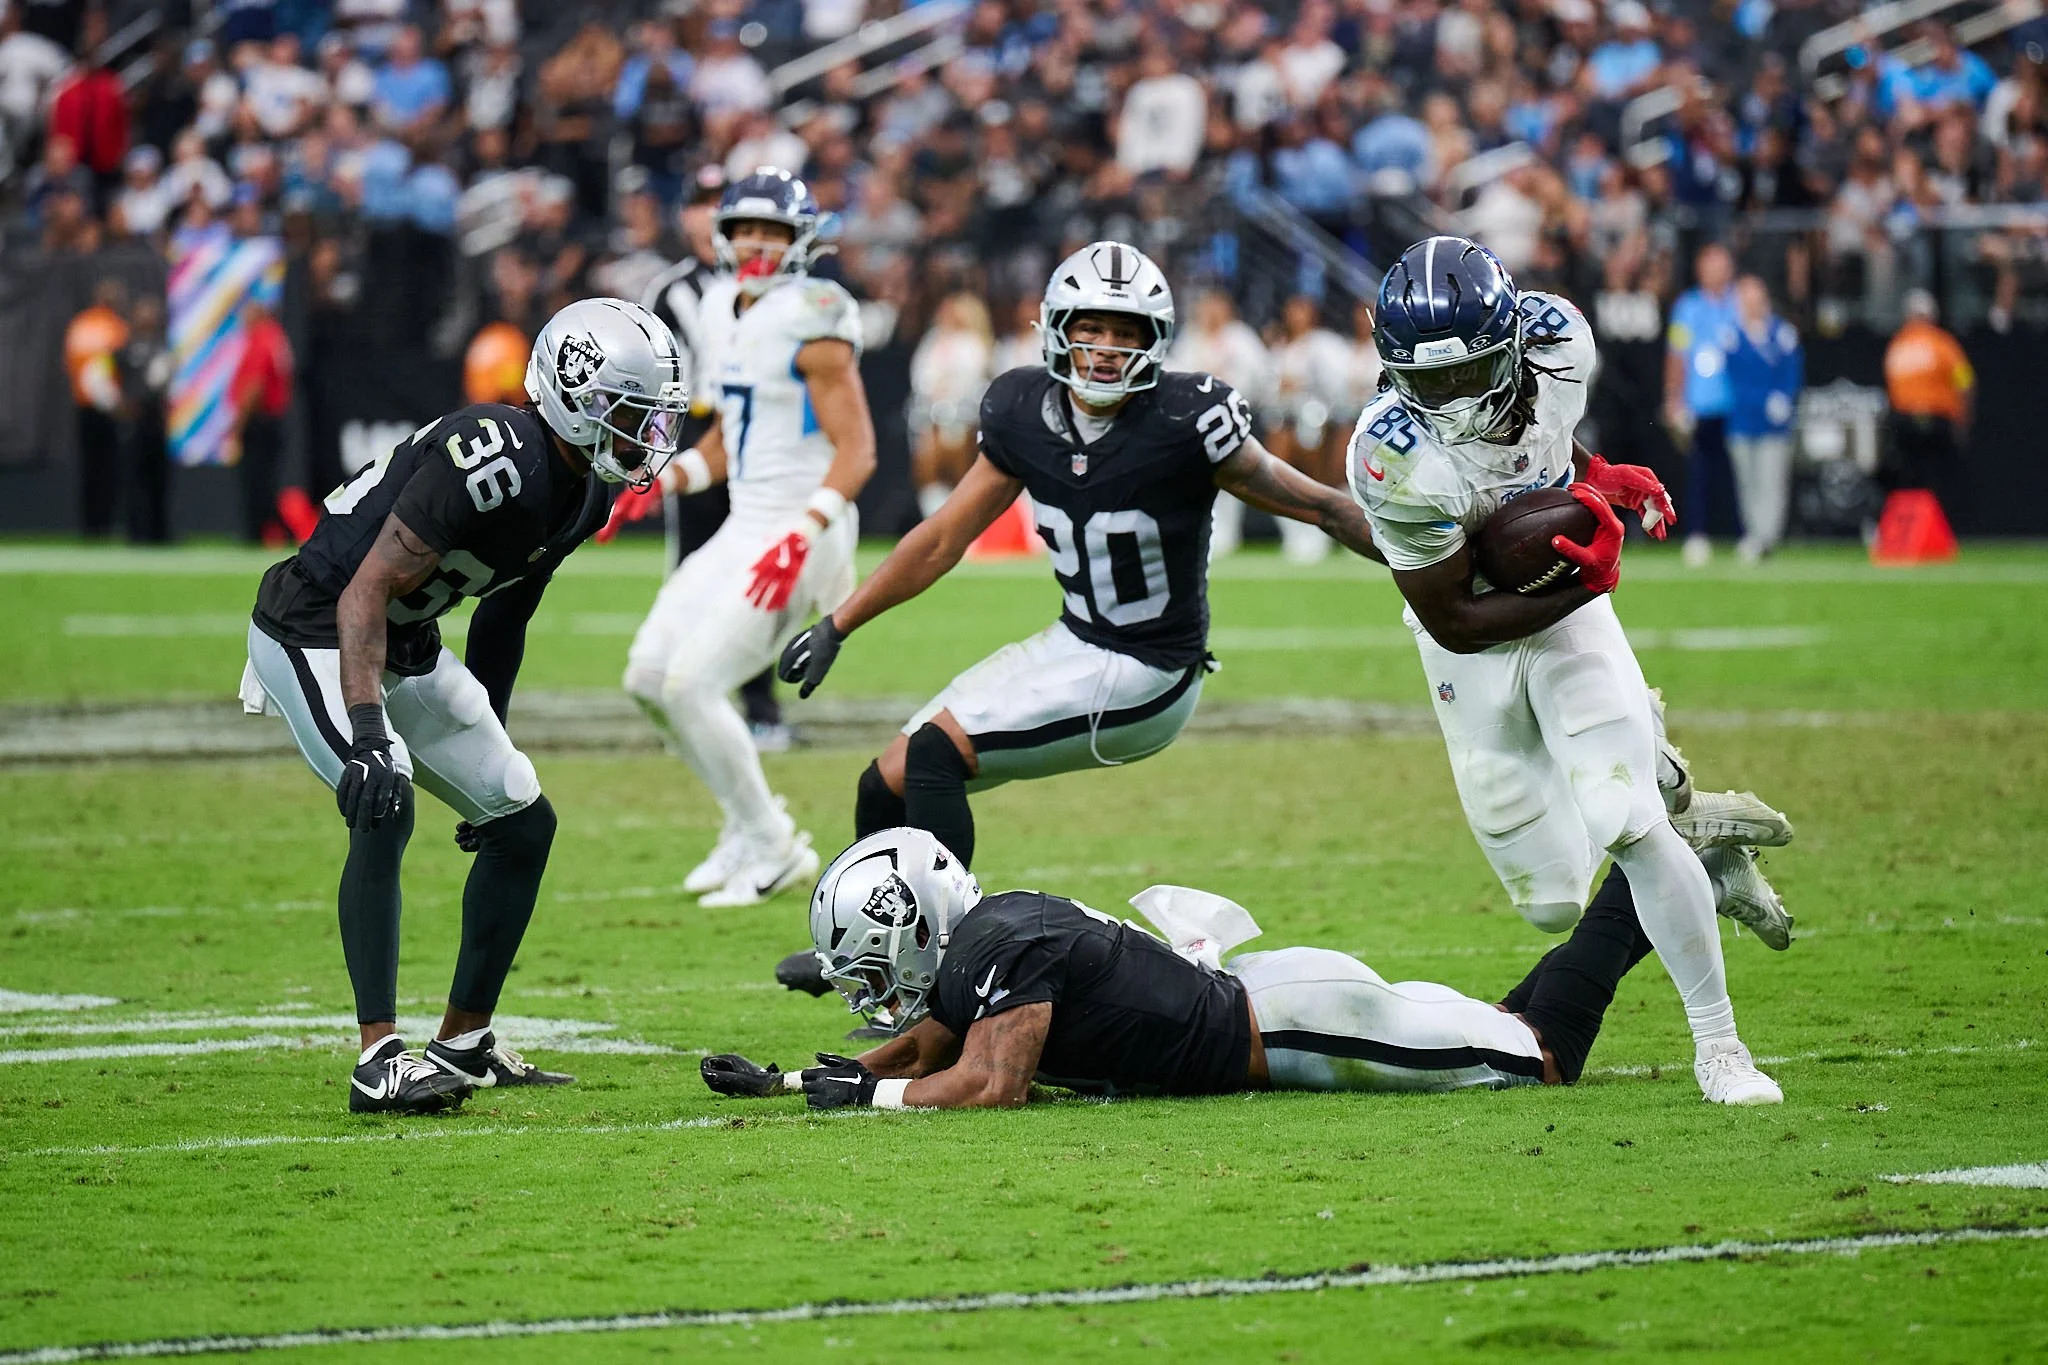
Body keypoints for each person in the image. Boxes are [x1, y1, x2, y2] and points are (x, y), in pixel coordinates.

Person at [771, 241, 1384, 990]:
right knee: (884, 784)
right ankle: (861, 960)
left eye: (1127, 333)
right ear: (1057, 328)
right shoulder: (1022, 409)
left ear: (1155, 341)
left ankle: (947, 972)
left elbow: (1318, 505)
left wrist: (1442, 565)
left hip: (1150, 670)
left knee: (936, 754)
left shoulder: (1190, 420)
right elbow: (939, 539)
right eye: (1093, 328)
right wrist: (841, 621)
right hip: (1078, 638)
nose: (1106, 350)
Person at [1349, 235, 1791, 1107]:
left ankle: (1721, 1048)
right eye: (1428, 382)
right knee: (1552, 898)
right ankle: (1677, 808)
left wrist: (1596, 475)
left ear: (1512, 342)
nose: (1450, 399)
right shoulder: (1390, 453)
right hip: (1469, 631)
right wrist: (1591, 573)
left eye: (1465, 373)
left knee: (1621, 818)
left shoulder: (1561, 344)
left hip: (1566, 609)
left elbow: (1541, 451)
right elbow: (1457, 616)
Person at [239, 296, 689, 1114]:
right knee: (384, 795)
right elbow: (365, 591)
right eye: (630, 413)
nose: (646, 437)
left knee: (522, 819)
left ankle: (463, 1041)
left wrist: (493, 747)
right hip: (317, 625)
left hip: (406, 639)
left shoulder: (588, 489)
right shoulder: (493, 457)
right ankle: (379, 1057)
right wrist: (371, 733)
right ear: (575, 397)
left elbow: (505, 612)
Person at [700, 829, 1674, 1109]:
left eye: (874, 959)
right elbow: (939, 1039)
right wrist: (802, 1078)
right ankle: (1675, 879)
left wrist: (867, 1104)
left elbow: (989, 1082)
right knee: (1504, 1025)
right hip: (1280, 1007)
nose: (873, 986)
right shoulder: (982, 941)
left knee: (1539, 1057)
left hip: (1292, 1026)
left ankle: (1659, 868)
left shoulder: (999, 947)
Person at [613, 168, 876, 908]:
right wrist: (659, 483)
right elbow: (731, 439)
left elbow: (859, 452)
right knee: (647, 678)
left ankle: (775, 844)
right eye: (745, 229)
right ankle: (744, 824)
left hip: (802, 523)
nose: (757, 245)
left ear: (801, 240)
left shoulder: (817, 312)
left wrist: (806, 532)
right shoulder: (729, 307)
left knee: (692, 683)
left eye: (773, 231)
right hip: (747, 520)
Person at [627, 168, 790, 750]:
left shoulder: (782, 294)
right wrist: (660, 464)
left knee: (762, 572)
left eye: (716, 204)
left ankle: (761, 705)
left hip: (761, 435)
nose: (706, 216)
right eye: (699, 204)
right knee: (694, 565)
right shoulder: (675, 291)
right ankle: (686, 697)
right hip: (696, 427)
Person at [1166, 288, 1270, 559]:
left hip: (1236, 416)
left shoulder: (1241, 337)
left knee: (1233, 473)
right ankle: (1206, 529)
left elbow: (1261, 376)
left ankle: (1229, 531)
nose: (1210, 312)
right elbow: (1175, 375)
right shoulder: (1191, 337)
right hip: (1195, 420)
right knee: (1199, 477)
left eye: (1216, 305)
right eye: (1206, 306)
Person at [1664, 243, 1740, 567]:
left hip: (1737, 404)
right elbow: (1677, 355)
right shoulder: (1688, 307)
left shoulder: (1739, 302)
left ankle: (1744, 534)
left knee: (1739, 473)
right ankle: (1696, 534)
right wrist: (1673, 398)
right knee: (1700, 473)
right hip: (1701, 403)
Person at [1723, 276, 1803, 563]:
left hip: (1774, 423)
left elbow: (1792, 369)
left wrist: (1783, 396)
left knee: (1772, 479)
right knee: (1748, 481)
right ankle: (1755, 534)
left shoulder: (1782, 333)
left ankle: (1768, 536)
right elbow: (1735, 380)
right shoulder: (1732, 335)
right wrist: (1762, 401)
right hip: (1744, 420)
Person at [908, 292, 995, 521]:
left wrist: (948, 391)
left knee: (959, 469)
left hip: (961, 415)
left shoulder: (972, 342)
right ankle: (934, 519)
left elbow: (970, 376)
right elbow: (919, 375)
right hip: (928, 414)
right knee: (927, 470)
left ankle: (963, 521)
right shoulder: (933, 339)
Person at [1881, 289, 1973, 500]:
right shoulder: (1942, 343)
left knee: (1907, 475)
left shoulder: (1897, 345)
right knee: (1940, 477)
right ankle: (1936, 522)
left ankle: (1911, 522)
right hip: (1937, 420)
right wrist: (1964, 418)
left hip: (1904, 422)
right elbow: (1966, 383)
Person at [64, 280, 130, 537]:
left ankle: (89, 526)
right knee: (108, 470)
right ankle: (103, 524)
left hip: (82, 406)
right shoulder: (114, 327)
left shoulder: (79, 325)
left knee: (89, 469)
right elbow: (104, 372)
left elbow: (71, 365)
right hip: (106, 407)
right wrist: (117, 404)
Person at [230, 298, 294, 545]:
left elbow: (254, 387)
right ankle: (275, 529)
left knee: (255, 480)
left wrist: (238, 426)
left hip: (259, 420)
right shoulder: (276, 337)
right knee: (265, 478)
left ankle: (258, 532)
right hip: (272, 419)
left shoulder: (261, 338)